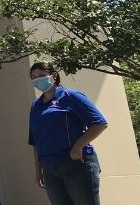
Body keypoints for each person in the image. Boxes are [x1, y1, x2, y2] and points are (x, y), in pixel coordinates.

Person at [29, 62, 108, 205]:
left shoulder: (70, 96)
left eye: (41, 75)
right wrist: (38, 170)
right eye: (33, 77)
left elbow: (100, 123)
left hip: (76, 165)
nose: (37, 80)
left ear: (53, 76)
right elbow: (35, 141)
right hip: (50, 169)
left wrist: (78, 146)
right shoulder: (35, 105)